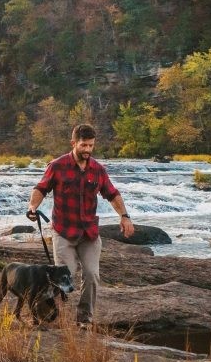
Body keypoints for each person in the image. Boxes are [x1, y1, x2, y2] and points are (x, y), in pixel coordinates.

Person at [26, 124, 133, 325]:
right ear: (73, 143)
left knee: (92, 275)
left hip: (89, 233)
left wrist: (125, 216)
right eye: (84, 145)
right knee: (63, 275)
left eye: (91, 146)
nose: (88, 150)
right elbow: (41, 188)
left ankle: (84, 320)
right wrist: (33, 207)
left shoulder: (98, 170)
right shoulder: (57, 166)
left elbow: (112, 194)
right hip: (64, 231)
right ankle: (47, 315)